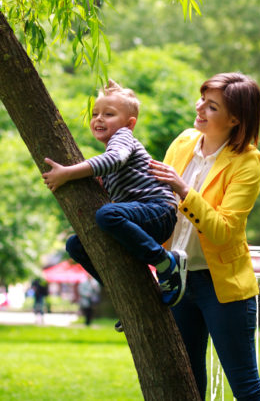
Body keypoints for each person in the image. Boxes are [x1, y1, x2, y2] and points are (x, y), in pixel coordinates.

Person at [149, 72, 260, 400]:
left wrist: (183, 189)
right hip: (177, 280)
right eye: (202, 98)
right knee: (188, 383)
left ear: (235, 118)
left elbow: (222, 232)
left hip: (223, 288)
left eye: (211, 105)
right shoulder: (184, 141)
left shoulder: (247, 162)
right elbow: (157, 200)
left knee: (245, 386)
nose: (200, 107)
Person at [42, 79, 187, 331]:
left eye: (109, 114)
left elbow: (113, 159)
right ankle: (128, 297)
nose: (99, 119)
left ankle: (166, 263)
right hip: (138, 218)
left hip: (157, 211)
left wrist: (68, 173)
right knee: (76, 244)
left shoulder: (123, 139)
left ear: (129, 124)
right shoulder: (113, 154)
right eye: (95, 113)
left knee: (106, 215)